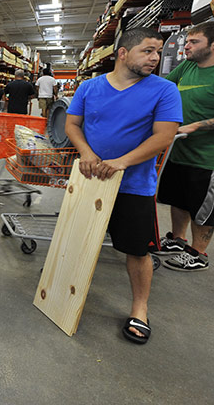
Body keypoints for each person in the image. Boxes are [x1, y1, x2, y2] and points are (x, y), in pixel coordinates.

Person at [64, 27, 182, 345]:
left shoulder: (165, 90)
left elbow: (164, 136)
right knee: (75, 239)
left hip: (133, 186)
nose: (155, 58)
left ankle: (140, 309)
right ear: (123, 53)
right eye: (148, 50)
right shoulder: (90, 88)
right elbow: (72, 123)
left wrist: (122, 162)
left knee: (136, 250)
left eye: (158, 51)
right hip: (89, 181)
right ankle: (62, 294)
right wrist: (87, 152)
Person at [156, 21, 214, 272]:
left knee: (203, 209)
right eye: (187, 41)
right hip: (179, 148)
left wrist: (194, 126)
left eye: (194, 42)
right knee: (179, 198)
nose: (187, 47)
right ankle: (177, 240)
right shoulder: (188, 66)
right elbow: (163, 88)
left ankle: (198, 253)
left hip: (210, 155)